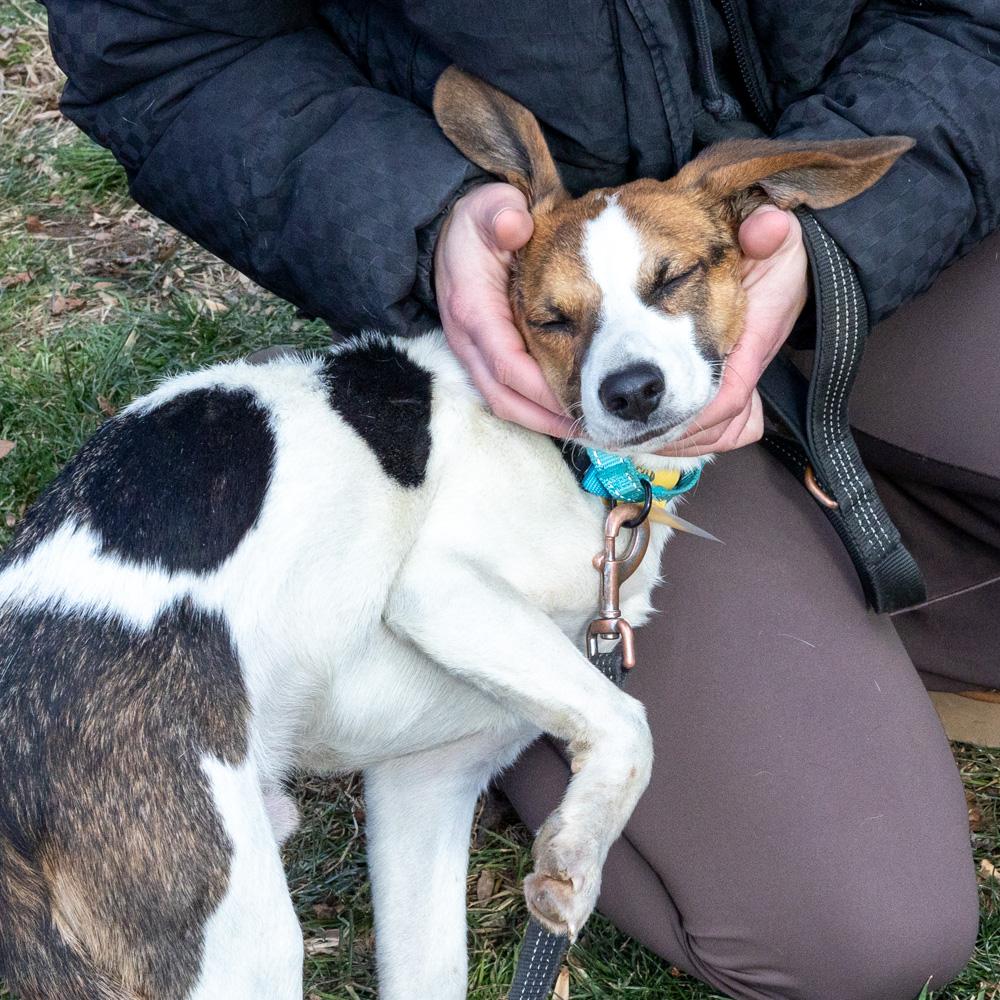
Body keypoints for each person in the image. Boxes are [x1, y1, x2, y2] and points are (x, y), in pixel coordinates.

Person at [42, 1, 999, 997]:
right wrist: (429, 221)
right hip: (205, 633)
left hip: (894, 237)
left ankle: (866, 604)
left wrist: (838, 243)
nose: (624, 363)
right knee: (871, 930)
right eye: (564, 321)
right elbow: (157, 47)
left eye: (665, 283)